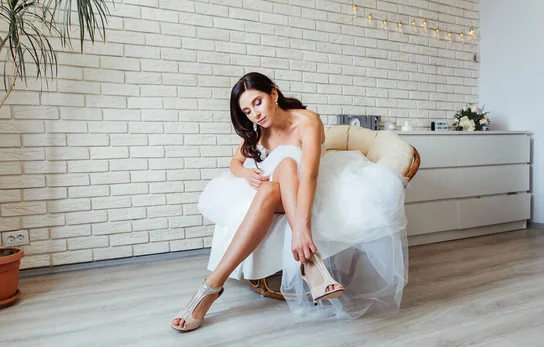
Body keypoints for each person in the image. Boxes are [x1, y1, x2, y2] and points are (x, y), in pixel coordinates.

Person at [171, 72, 408, 332]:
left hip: (313, 187)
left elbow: (309, 176)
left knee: (286, 164)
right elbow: (235, 163)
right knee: (270, 188)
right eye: (247, 111)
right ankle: (310, 262)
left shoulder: (307, 121)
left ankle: (211, 287)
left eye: (258, 102)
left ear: (273, 93)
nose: (255, 115)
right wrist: (246, 173)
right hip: (275, 193)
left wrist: (302, 229)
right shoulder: (259, 132)